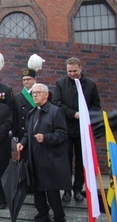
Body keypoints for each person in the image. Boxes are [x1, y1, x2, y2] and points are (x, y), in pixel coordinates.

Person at [17, 83, 71, 222]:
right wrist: (22, 143)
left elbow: (62, 134)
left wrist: (46, 138)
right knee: (37, 192)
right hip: (34, 159)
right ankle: (43, 215)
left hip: (50, 160)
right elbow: (27, 134)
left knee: (51, 192)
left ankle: (59, 217)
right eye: (33, 93)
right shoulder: (32, 113)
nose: (34, 95)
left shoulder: (55, 111)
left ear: (46, 95)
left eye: (38, 92)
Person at [53, 57, 101, 203]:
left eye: (74, 70)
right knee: (66, 160)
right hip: (66, 129)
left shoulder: (91, 85)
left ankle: (77, 189)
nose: (72, 73)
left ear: (80, 68)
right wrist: (74, 114)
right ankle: (66, 190)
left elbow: (96, 105)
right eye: (69, 71)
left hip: (83, 130)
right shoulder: (60, 84)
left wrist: (86, 114)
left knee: (81, 161)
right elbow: (57, 103)